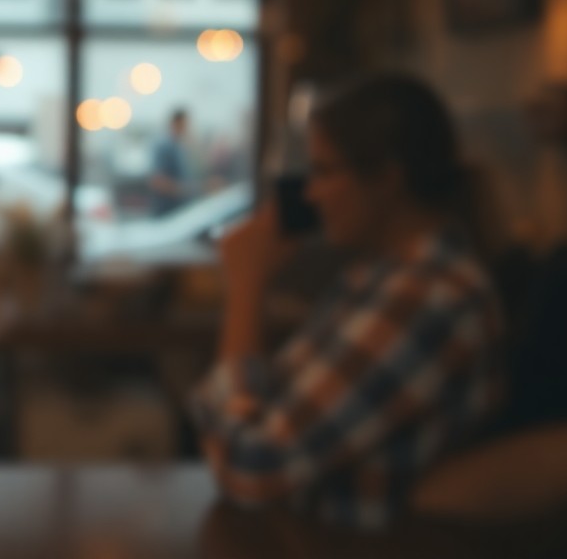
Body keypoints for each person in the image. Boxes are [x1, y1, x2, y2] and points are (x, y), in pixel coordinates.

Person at [191, 72, 506, 528]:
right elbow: (269, 413)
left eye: (323, 171)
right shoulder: (380, 276)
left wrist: (246, 286)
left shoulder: (428, 300)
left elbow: (252, 468)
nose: (311, 193)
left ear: (385, 179)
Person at [150, 108, 194, 216]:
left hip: (177, 208)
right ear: (176, 123)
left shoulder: (177, 145)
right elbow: (157, 181)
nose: (186, 129)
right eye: (184, 125)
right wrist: (186, 190)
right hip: (166, 210)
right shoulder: (164, 146)